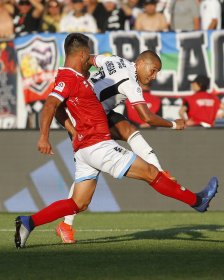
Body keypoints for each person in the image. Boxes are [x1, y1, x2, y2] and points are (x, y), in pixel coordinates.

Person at [14, 33, 218, 249]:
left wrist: (73, 131)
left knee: (78, 203)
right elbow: (51, 106)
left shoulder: (94, 68)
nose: (154, 76)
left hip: (84, 146)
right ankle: (197, 200)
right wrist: (44, 137)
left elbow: (67, 96)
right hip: (97, 143)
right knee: (150, 172)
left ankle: (29, 222)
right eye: (153, 70)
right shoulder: (75, 79)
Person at [55, 52, 182, 243]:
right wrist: (173, 124)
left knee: (128, 131)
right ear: (139, 63)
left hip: (94, 112)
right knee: (90, 169)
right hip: (84, 117)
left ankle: (160, 171)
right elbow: (146, 117)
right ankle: (65, 224)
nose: (154, 76)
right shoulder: (129, 81)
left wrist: (84, 79)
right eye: (153, 70)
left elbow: (88, 58)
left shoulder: (113, 59)